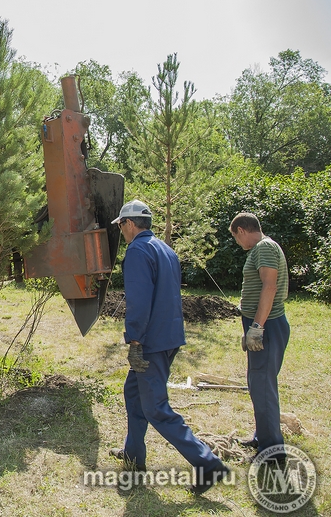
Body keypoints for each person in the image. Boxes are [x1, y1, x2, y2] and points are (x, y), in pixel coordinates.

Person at [109, 200, 229, 494]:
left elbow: (139, 302)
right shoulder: (166, 249)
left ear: (129, 224)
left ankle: (207, 463)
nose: (122, 232)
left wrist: (134, 340)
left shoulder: (137, 250)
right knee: (134, 392)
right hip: (170, 335)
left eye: (121, 226)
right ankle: (133, 454)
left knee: (156, 408)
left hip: (150, 340)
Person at [229, 212, 290, 457]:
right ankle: (262, 436)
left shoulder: (263, 248)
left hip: (268, 326)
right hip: (265, 325)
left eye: (235, 238)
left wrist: (257, 327)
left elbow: (270, 285)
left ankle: (273, 452)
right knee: (258, 384)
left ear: (241, 230)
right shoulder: (265, 248)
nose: (238, 243)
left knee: (263, 387)